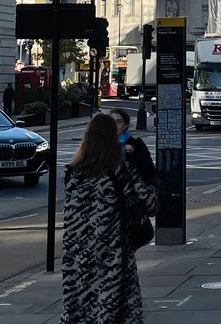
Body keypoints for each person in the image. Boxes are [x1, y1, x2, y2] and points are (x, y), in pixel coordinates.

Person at [60, 113, 158, 324]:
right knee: (113, 311)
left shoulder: (73, 174)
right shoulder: (119, 171)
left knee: (81, 312)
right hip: (111, 258)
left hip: (78, 260)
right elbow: (150, 204)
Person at [110, 108, 156, 184]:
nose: (114, 125)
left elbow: (148, 171)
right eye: (111, 121)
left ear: (125, 126)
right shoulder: (102, 143)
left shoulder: (136, 144)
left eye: (118, 122)